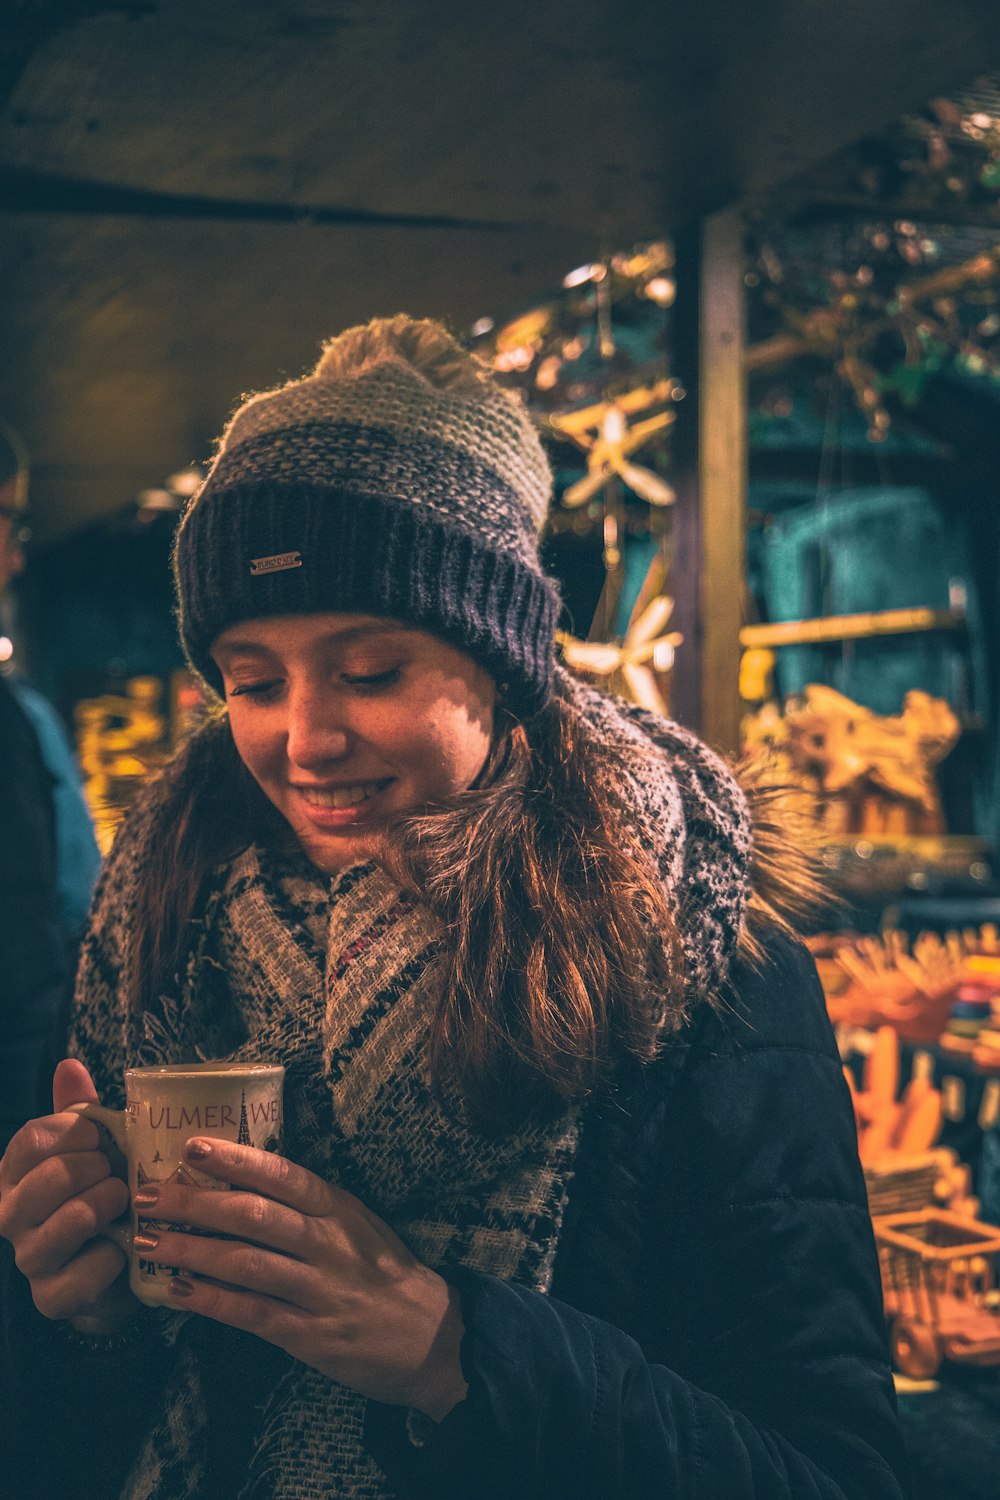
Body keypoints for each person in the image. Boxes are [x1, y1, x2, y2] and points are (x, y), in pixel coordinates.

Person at [0, 317, 909, 1500]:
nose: (305, 737)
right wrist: (81, 1316)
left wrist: (451, 1351)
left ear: (500, 662)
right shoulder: (157, 945)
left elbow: (831, 1471)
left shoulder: (694, 955)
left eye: (371, 671)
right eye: (251, 681)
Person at [0, 426, 100, 1150]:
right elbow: (31, 923)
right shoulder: (14, 717)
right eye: (11, 521)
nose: (16, 554)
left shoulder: (23, 708)